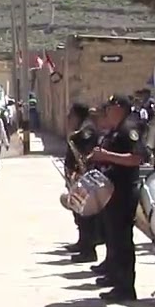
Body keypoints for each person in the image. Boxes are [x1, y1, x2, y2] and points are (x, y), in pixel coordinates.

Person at [89, 94, 146, 302]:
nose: (108, 112)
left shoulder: (129, 128)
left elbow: (137, 158)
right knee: (113, 238)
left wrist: (105, 156)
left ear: (121, 108)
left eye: (111, 107)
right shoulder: (116, 130)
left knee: (122, 241)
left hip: (123, 191)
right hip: (111, 191)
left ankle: (125, 288)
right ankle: (115, 277)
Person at [63, 103, 102, 264]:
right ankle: (82, 243)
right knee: (78, 211)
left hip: (85, 177)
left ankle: (88, 250)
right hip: (77, 175)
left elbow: (85, 147)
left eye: (71, 115)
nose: (68, 118)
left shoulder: (87, 130)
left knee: (85, 213)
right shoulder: (82, 129)